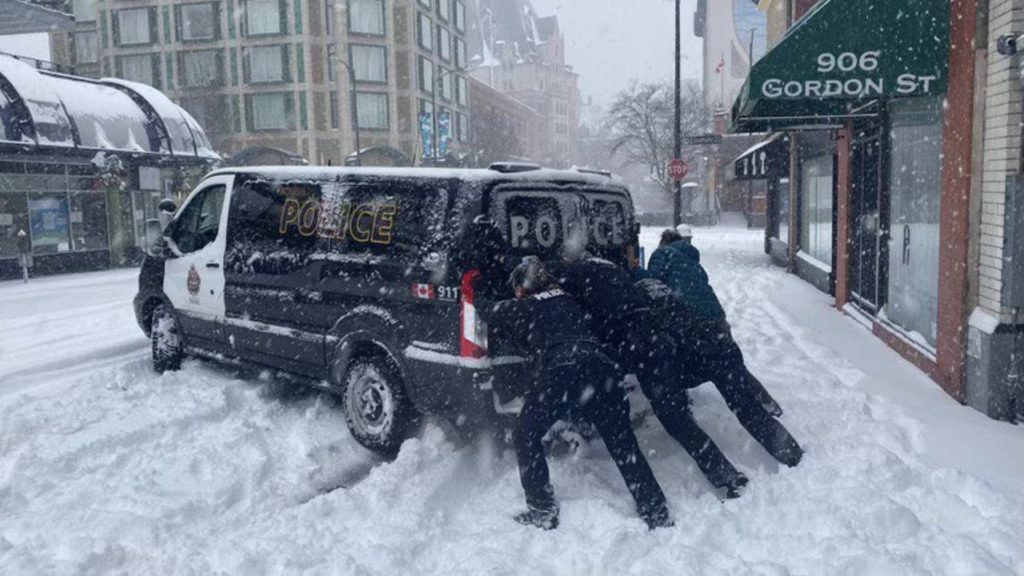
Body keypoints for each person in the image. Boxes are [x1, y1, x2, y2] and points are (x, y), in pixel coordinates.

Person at [477, 256, 673, 530]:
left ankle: (542, 509)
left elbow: (491, 312)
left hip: (562, 370)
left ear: (523, 288)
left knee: (525, 434)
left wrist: (473, 291)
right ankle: (655, 509)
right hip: (602, 370)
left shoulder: (529, 306)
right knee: (623, 443)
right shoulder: (572, 300)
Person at [553, 254, 750, 498]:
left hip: (642, 351)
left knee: (674, 419)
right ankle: (725, 472)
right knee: (678, 415)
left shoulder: (573, 277)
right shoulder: (612, 269)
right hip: (659, 342)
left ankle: (727, 477)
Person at [644, 226, 802, 467]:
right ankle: (788, 450)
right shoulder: (692, 260)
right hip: (719, 325)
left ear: (664, 243)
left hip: (691, 330)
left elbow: (651, 285)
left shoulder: (663, 255)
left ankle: (688, 426)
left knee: (670, 377)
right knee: (738, 389)